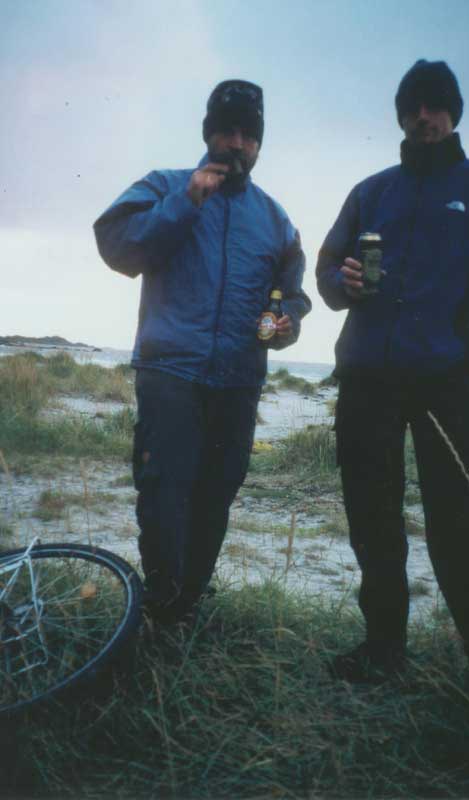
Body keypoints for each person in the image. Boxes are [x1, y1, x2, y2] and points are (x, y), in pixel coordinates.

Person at [316, 60, 469, 788]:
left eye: (438, 108)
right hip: (367, 382)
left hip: (442, 386)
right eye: (414, 108)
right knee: (372, 521)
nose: (425, 119)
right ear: (401, 114)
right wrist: (337, 280)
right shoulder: (371, 190)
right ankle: (382, 650)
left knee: (459, 529)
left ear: (454, 115)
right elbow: (326, 269)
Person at [94, 79, 311, 624]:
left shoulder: (275, 218)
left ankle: (189, 599)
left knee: (217, 493)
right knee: (165, 492)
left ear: (258, 144)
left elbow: (294, 292)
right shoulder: (163, 185)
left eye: (247, 134)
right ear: (209, 134)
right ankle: (163, 601)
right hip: (170, 371)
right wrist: (184, 203)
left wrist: (290, 325)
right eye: (226, 130)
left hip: (239, 378)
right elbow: (118, 248)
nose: (236, 143)